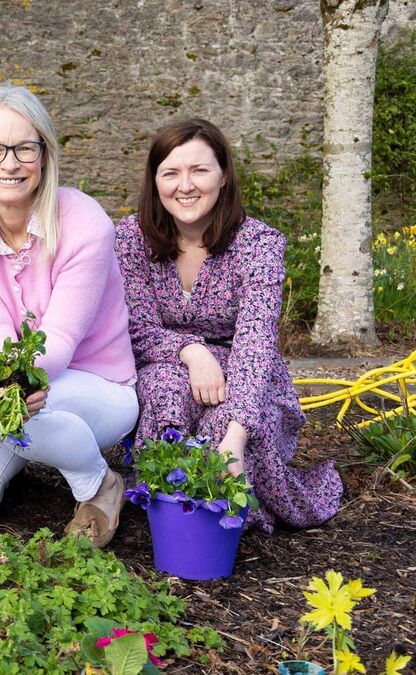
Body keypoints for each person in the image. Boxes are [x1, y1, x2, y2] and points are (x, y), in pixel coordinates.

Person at [0, 85, 138, 547]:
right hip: (21, 395)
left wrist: (11, 388)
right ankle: (30, 452)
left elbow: (59, 339)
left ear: (44, 154)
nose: (10, 163)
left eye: (24, 148)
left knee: (24, 413)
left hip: (98, 385)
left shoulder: (84, 221)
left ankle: (99, 484)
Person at [115, 118, 342, 533]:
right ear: (155, 181)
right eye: (171, 173)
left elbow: (256, 342)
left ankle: (224, 513)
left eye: (199, 170)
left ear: (223, 176)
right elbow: (139, 330)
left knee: (226, 427)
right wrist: (191, 352)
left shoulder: (258, 244)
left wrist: (236, 435)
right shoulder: (131, 237)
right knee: (165, 391)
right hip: (168, 364)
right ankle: (162, 504)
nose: (185, 185)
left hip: (244, 369)